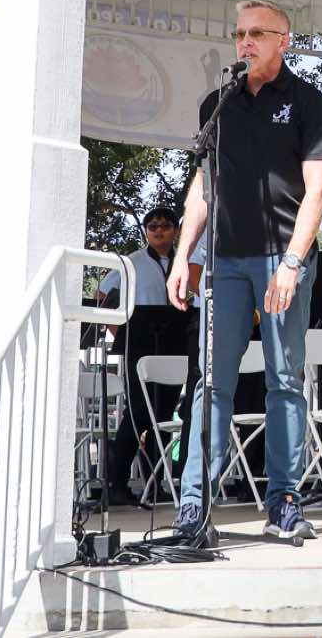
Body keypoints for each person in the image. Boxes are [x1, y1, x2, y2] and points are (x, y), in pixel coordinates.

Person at [167, 0, 322, 544]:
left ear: (284, 41)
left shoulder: (308, 102)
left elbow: (318, 190)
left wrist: (292, 261)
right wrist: (183, 255)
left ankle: (283, 502)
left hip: (282, 259)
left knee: (284, 380)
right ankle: (195, 505)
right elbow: (203, 186)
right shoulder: (218, 104)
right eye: (240, 32)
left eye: (258, 33)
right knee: (212, 382)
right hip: (226, 261)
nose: (245, 41)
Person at [98, 206, 181, 506]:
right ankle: (116, 484)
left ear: (175, 231)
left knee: (164, 416)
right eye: (152, 226)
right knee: (136, 414)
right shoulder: (131, 262)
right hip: (140, 346)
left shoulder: (183, 261)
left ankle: (155, 483)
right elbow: (103, 295)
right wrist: (119, 333)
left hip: (173, 347)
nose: (158, 231)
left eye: (165, 226)